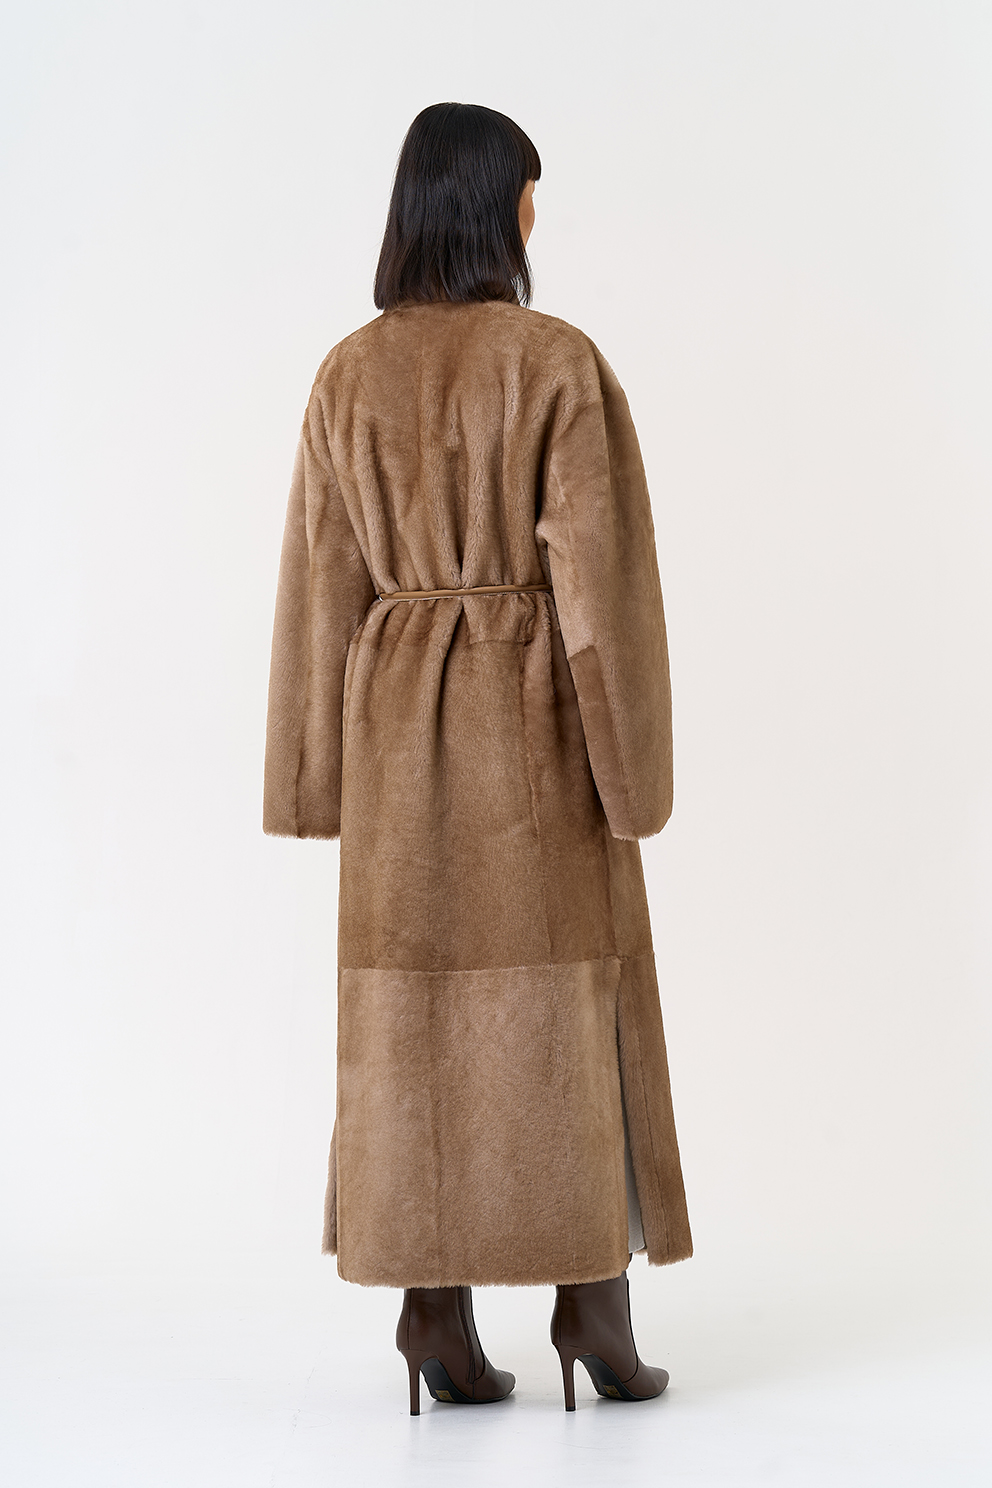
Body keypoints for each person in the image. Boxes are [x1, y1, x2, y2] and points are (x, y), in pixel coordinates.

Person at [263, 101, 692, 1415]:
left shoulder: (346, 376)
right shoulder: (555, 364)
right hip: (532, 727)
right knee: (567, 1007)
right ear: (493, 205)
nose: (535, 218)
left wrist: (312, 777)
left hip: (394, 737)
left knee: (411, 1029)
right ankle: (593, 1307)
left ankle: (434, 1321)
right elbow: (601, 589)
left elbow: (320, 586)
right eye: (527, 195)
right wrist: (634, 774)